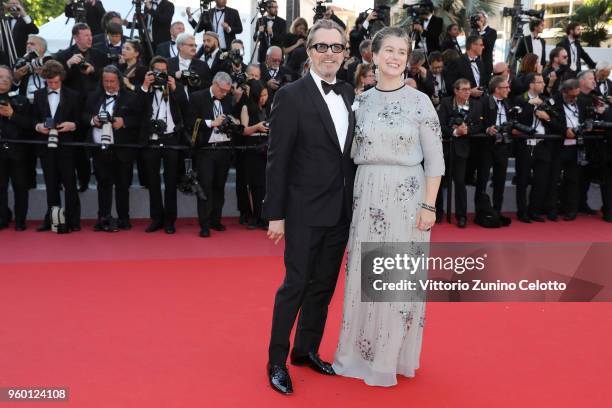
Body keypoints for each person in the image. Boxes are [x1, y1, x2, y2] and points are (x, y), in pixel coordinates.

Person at [333, 26, 444, 386]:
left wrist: (429, 206)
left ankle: (389, 358)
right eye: (389, 51)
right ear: (374, 55)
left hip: (407, 196)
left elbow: (436, 162)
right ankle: (358, 354)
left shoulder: (420, 102)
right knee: (364, 277)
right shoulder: (360, 101)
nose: (395, 57)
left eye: (402, 52)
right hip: (366, 195)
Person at [264, 19, 356, 395]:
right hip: (303, 210)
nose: (329, 53)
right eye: (322, 47)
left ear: (345, 53)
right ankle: (275, 361)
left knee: (323, 287)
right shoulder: (291, 95)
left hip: (340, 211)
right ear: (309, 51)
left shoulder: (351, 93)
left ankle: (305, 351)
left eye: (336, 47)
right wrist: (276, 214)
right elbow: (277, 158)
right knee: (296, 286)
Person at [82, 65, 140, 232]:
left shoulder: (131, 98)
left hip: (121, 148)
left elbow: (139, 119)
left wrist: (124, 122)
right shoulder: (94, 96)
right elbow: (83, 115)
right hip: (100, 149)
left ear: (119, 81)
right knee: (103, 185)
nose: (109, 85)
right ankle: (103, 217)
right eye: (106, 81)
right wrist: (93, 120)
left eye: (112, 81)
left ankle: (124, 218)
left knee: (122, 185)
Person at [139, 56, 189, 234]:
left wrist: (175, 89)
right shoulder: (145, 88)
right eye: (157, 71)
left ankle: (170, 220)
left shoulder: (175, 87)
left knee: (170, 182)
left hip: (171, 139)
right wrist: (145, 86)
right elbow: (137, 107)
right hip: (151, 140)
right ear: (151, 72)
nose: (161, 74)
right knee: (152, 182)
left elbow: (185, 107)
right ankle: (156, 218)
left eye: (164, 71)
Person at [32, 60, 81, 232]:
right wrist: (39, 127)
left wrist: (71, 125)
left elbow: (80, 120)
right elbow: (33, 119)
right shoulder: (38, 95)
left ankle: (73, 220)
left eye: (56, 82)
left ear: (61, 78)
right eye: (50, 82)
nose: (53, 85)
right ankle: (52, 219)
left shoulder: (73, 95)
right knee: (51, 184)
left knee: (69, 184)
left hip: (66, 145)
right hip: (46, 147)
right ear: (45, 79)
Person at [189, 72, 235, 238]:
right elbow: (190, 121)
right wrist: (212, 123)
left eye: (226, 91)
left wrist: (233, 122)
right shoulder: (197, 97)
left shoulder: (228, 99)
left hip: (224, 149)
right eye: (222, 90)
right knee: (205, 188)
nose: (224, 94)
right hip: (206, 150)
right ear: (215, 84)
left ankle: (216, 219)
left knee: (219, 187)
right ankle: (205, 224)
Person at [437, 78, 484, 227]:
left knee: (460, 182)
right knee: (439, 182)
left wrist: (467, 130)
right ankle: (437, 213)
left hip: (463, 149)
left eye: (469, 89)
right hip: (445, 148)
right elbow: (440, 124)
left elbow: (479, 125)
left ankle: (461, 216)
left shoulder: (476, 105)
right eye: (464, 89)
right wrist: (455, 131)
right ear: (456, 91)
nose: (467, 92)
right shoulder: (446, 103)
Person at [512, 72, 554, 223]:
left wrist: (547, 117)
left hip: (543, 144)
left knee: (541, 180)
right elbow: (517, 121)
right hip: (525, 144)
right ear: (531, 84)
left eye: (543, 82)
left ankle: (534, 211)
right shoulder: (519, 99)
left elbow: (555, 120)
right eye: (540, 82)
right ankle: (522, 212)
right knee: (522, 180)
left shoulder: (546, 100)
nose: (543, 84)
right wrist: (530, 106)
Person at [0, 65, 32, 231]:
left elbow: (29, 125)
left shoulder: (22, 100)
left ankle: (20, 220)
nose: (3, 80)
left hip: (18, 152)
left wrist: (12, 114)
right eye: (0, 77)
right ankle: (2, 218)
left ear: (12, 80)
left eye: (7, 77)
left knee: (20, 187)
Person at [240, 80, 270, 229]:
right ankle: (254, 216)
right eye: (261, 95)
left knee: (265, 185)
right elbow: (244, 130)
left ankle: (265, 218)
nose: (264, 98)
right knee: (254, 185)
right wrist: (257, 127)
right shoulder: (246, 107)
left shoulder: (269, 108)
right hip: (252, 149)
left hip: (267, 149)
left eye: (266, 94)